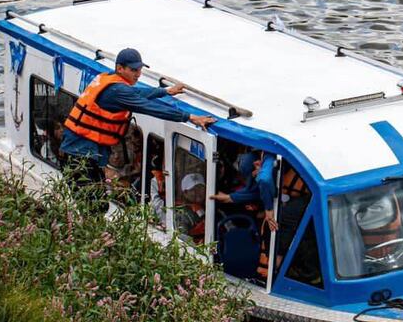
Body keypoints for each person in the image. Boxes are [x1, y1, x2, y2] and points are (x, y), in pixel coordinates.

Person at [60, 47, 216, 209]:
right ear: (120, 68)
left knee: (97, 204)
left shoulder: (110, 80)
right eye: (133, 70)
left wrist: (165, 91)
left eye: (140, 70)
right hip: (78, 157)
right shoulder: (116, 91)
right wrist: (189, 117)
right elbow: (148, 107)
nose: (138, 74)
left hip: (80, 152)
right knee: (95, 207)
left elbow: (137, 93)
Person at [211, 150, 278, 231]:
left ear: (257, 163)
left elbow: (264, 180)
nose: (252, 177)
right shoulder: (254, 183)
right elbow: (251, 191)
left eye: (250, 175)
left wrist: (268, 210)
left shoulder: (268, 160)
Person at [174, 172, 207, 241]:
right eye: (193, 189)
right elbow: (181, 240)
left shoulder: (211, 207)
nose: (198, 192)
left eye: (200, 188)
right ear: (185, 193)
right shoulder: (182, 214)